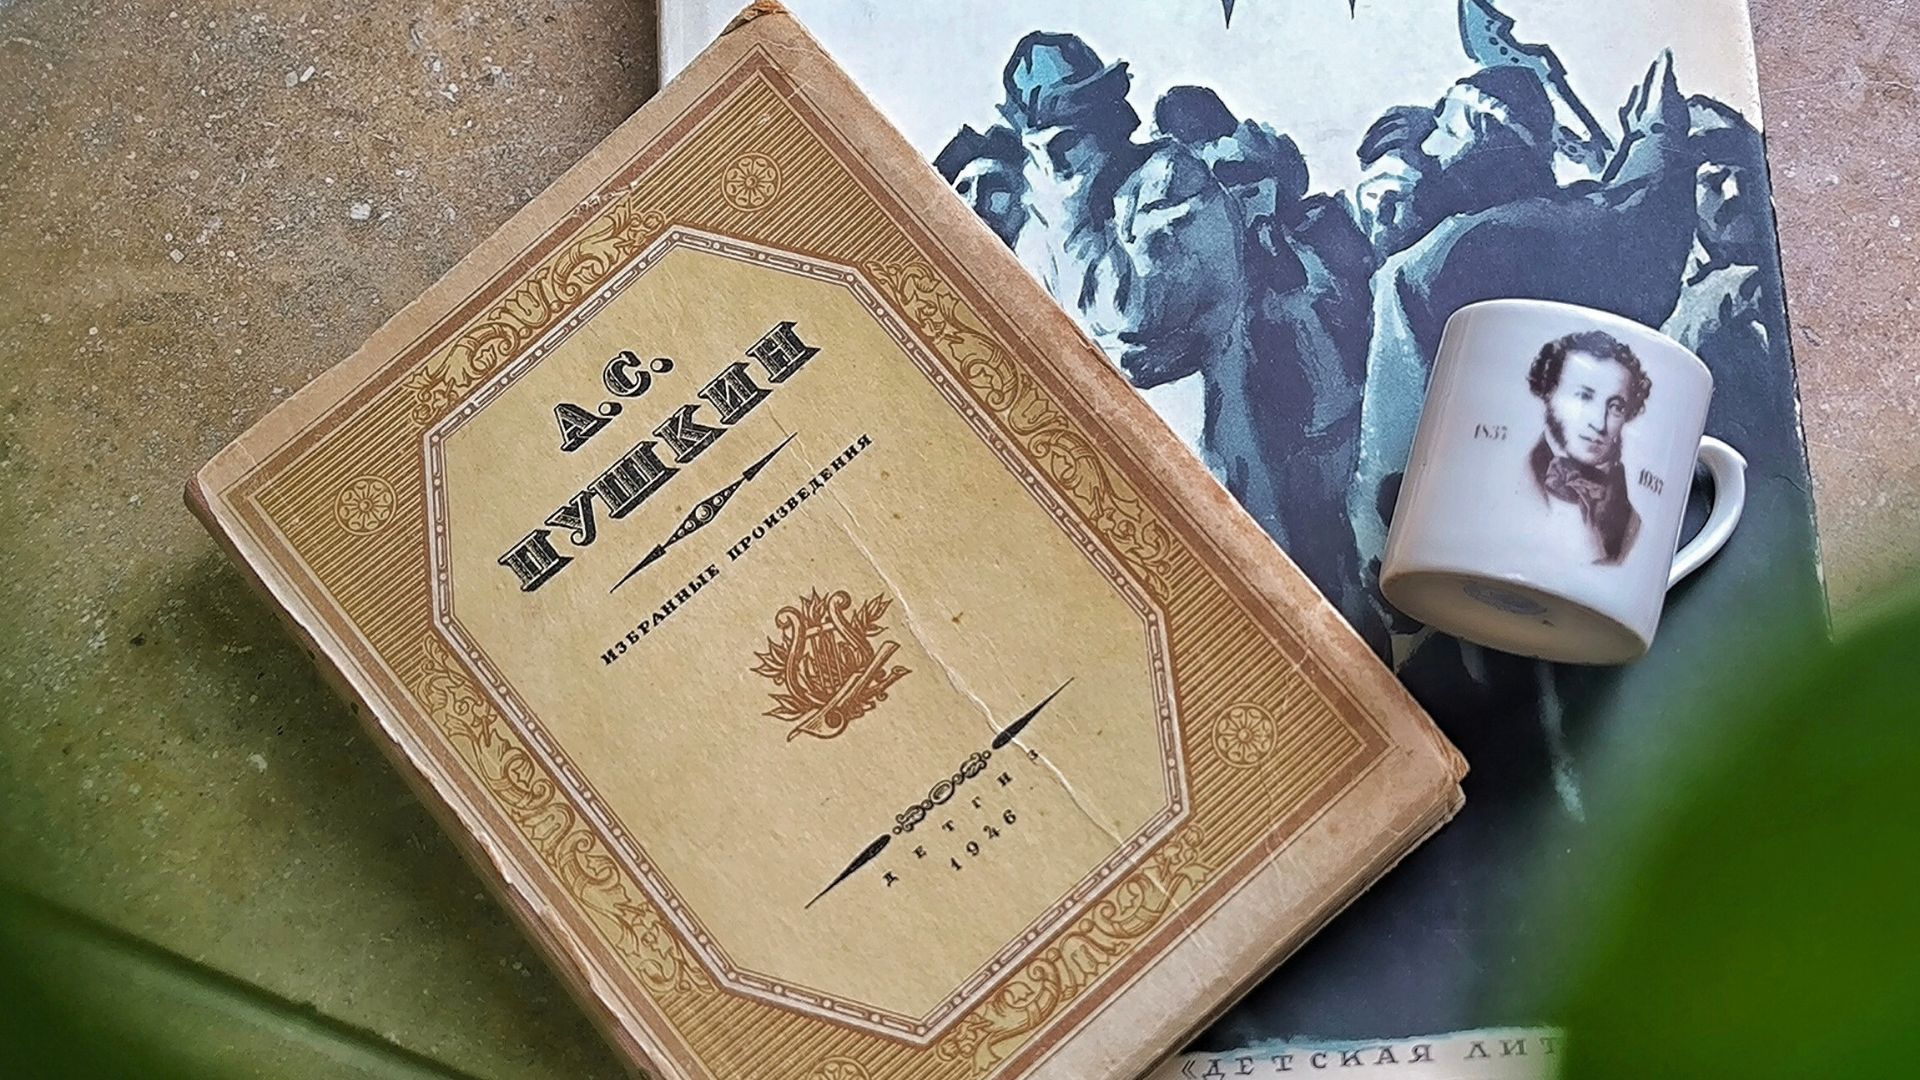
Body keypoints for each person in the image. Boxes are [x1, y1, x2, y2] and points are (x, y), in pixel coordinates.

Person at [1349, 52, 1696, 638]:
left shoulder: (1423, 268)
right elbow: (1641, 206)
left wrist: (1382, 556)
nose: (1429, 144)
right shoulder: (1590, 228)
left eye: (1445, 127)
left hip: (1455, 550)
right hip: (1581, 547)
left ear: (1482, 139)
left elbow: (1392, 448)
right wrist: (1657, 131)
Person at [1149, 85, 1373, 621]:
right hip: (1276, 428)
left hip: (1317, 419)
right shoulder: (1222, 238)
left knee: (1335, 567)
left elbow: (1352, 299)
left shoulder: (1313, 224)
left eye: (1247, 178)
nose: (1246, 192)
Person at [1526, 331, 1652, 565]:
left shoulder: (1632, 521)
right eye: (1584, 396)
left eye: (1616, 407)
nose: (1599, 423)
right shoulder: (1510, 477)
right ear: (1548, 392)